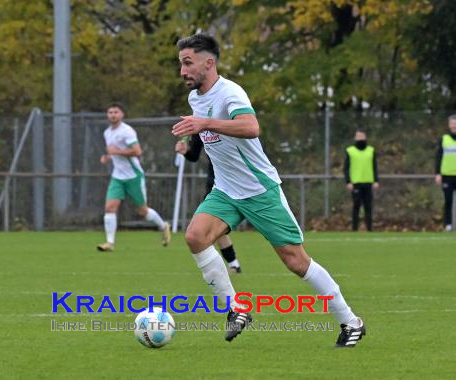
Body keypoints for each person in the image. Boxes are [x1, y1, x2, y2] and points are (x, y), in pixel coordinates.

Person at [173, 33, 365, 347]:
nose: (182, 71)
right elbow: (206, 133)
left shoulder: (230, 93)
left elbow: (251, 127)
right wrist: (196, 133)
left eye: (188, 63)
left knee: (296, 262)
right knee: (195, 237)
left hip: (259, 190)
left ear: (209, 63)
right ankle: (236, 309)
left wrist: (205, 123)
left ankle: (350, 321)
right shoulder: (196, 99)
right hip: (226, 191)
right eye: (181, 64)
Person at [97, 103, 171, 252]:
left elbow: (137, 152)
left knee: (143, 211)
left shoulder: (127, 131)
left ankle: (164, 226)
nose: (112, 115)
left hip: (133, 176)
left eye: (115, 112)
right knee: (110, 208)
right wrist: (107, 157)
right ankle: (109, 243)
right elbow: (113, 152)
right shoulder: (107, 133)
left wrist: (116, 152)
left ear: (122, 114)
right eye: (110, 112)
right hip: (117, 177)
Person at [175, 135, 242, 273]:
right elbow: (194, 155)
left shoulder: (233, 119)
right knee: (211, 228)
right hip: (217, 184)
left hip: (246, 181)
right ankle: (233, 265)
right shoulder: (199, 127)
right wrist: (185, 151)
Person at [344, 130, 379, 231]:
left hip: (368, 183)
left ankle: (370, 229)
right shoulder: (350, 151)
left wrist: (376, 180)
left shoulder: (371, 150)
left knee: (368, 207)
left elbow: (374, 166)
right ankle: (354, 229)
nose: (360, 138)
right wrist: (348, 181)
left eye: (362, 136)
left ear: (365, 137)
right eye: (358, 136)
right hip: (356, 183)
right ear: (355, 138)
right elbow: (346, 168)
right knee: (356, 207)